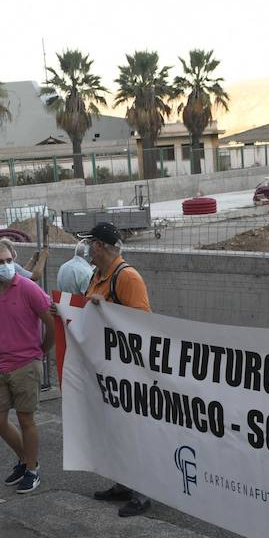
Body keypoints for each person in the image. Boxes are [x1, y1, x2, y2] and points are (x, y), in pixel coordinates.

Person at [84, 221, 155, 516]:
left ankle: (143, 493)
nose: (88, 248)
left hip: (128, 370)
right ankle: (122, 484)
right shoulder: (97, 274)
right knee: (114, 430)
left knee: (133, 431)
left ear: (100, 246)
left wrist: (107, 309)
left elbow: (142, 324)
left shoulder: (128, 277)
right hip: (106, 367)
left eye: (91, 243)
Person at [0, 240, 54, 494]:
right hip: (1, 363)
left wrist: (41, 352)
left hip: (26, 363)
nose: (6, 266)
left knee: (26, 419)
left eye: (9, 260)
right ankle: (25, 459)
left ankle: (32, 469)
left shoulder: (28, 288)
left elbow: (51, 322)